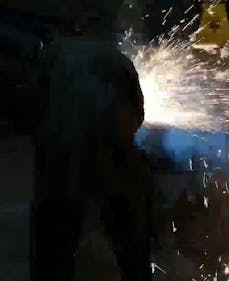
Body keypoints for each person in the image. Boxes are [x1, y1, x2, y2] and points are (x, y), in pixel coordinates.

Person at [30, 2, 153, 281]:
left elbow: (28, 104)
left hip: (60, 159)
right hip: (107, 159)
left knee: (54, 242)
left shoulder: (53, 54)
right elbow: (137, 114)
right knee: (129, 242)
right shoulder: (117, 60)